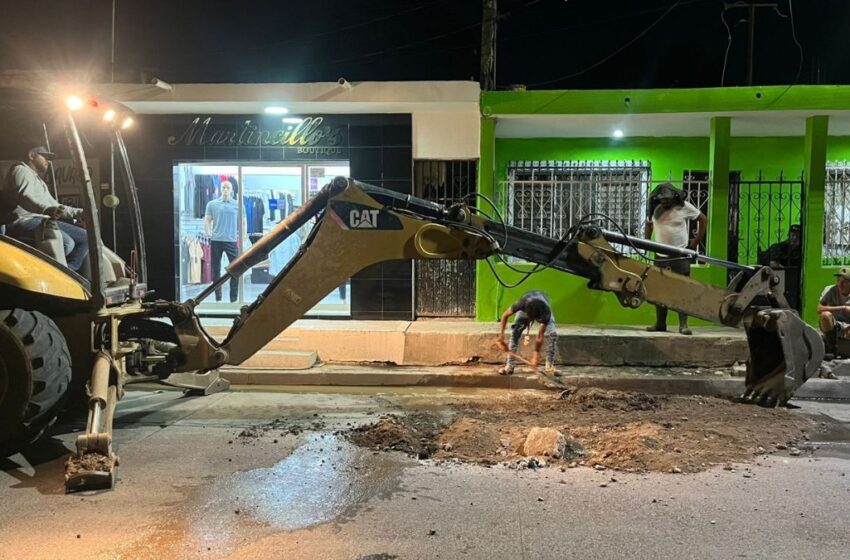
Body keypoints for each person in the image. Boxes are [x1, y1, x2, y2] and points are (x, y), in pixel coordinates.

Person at [0, 145, 88, 272]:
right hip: (22, 221)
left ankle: (71, 272)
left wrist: (81, 213)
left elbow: (56, 206)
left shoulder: (39, 181)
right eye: (45, 157)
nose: (48, 161)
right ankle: (54, 275)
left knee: (87, 238)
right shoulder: (20, 170)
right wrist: (46, 209)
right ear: (31, 155)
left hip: (41, 220)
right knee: (66, 243)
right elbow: (25, 197)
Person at [644, 182, 707, 335]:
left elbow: (703, 219)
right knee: (660, 291)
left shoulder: (684, 207)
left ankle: (683, 325)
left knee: (682, 289)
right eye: (662, 199)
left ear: (674, 197)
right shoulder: (655, 208)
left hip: (680, 255)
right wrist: (646, 242)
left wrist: (696, 240)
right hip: (660, 255)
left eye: (667, 199)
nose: (664, 202)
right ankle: (660, 324)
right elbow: (649, 225)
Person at [495, 290, 559, 376]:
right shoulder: (521, 304)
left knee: (553, 335)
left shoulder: (546, 312)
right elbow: (505, 315)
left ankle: (549, 365)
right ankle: (509, 366)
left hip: (542, 310)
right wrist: (501, 336)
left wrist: (535, 356)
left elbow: (540, 335)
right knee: (515, 332)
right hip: (525, 309)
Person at [205, 180, 239, 302]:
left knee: (236, 268)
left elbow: (243, 221)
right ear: (220, 189)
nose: (225, 189)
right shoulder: (212, 204)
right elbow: (207, 219)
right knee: (216, 269)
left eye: (228, 187)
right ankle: (218, 297)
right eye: (223, 187)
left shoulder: (237, 205)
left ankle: (234, 298)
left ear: (231, 190)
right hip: (216, 240)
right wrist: (208, 233)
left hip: (231, 241)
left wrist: (243, 236)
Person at [817, 267, 850, 354]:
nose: (840, 284)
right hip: (834, 324)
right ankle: (831, 348)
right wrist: (843, 307)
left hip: (848, 324)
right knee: (825, 315)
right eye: (838, 280)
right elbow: (819, 308)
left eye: (844, 282)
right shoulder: (831, 290)